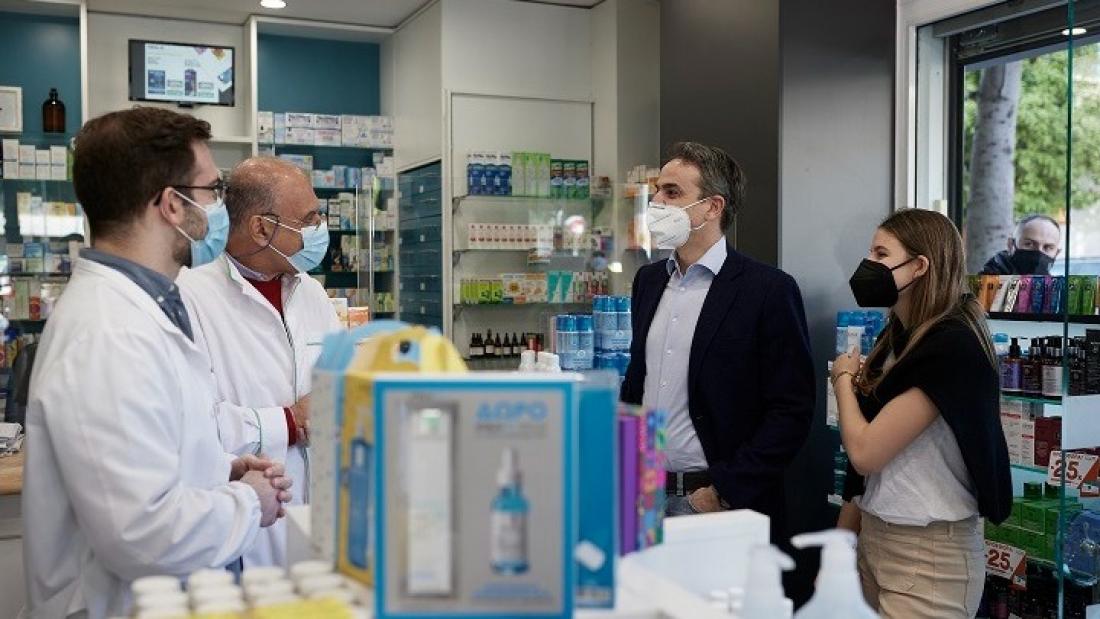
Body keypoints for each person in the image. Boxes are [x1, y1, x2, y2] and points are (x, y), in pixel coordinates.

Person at [22, 107, 293, 618]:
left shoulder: (146, 306)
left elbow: (143, 453)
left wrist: (218, 468)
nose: (220, 208)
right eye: (213, 190)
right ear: (172, 204)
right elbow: (140, 534)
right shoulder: (109, 331)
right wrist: (248, 501)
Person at [620, 141, 815, 538]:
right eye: (657, 191)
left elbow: (791, 409)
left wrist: (722, 492)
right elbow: (637, 384)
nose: (656, 202)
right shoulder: (649, 281)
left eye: (672, 192)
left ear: (712, 207)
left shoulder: (767, 290)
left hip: (715, 503)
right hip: (646, 495)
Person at [834, 208, 1012, 618]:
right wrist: (842, 544)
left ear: (919, 266)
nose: (868, 264)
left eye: (881, 254)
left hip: (927, 554)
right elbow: (866, 477)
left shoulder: (950, 346)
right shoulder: (898, 336)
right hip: (877, 537)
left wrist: (843, 378)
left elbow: (865, 452)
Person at [179, 156, 342, 568]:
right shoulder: (190, 296)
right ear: (262, 228)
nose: (320, 229)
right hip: (247, 528)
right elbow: (191, 427)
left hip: (321, 514)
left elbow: (341, 381)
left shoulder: (311, 293)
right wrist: (289, 421)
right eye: (309, 219)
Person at [980, 214, 1062, 275]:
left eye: (1048, 247)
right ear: (1011, 245)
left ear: (1057, 253)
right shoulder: (985, 285)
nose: (1039, 253)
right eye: (1029, 244)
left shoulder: (1052, 288)